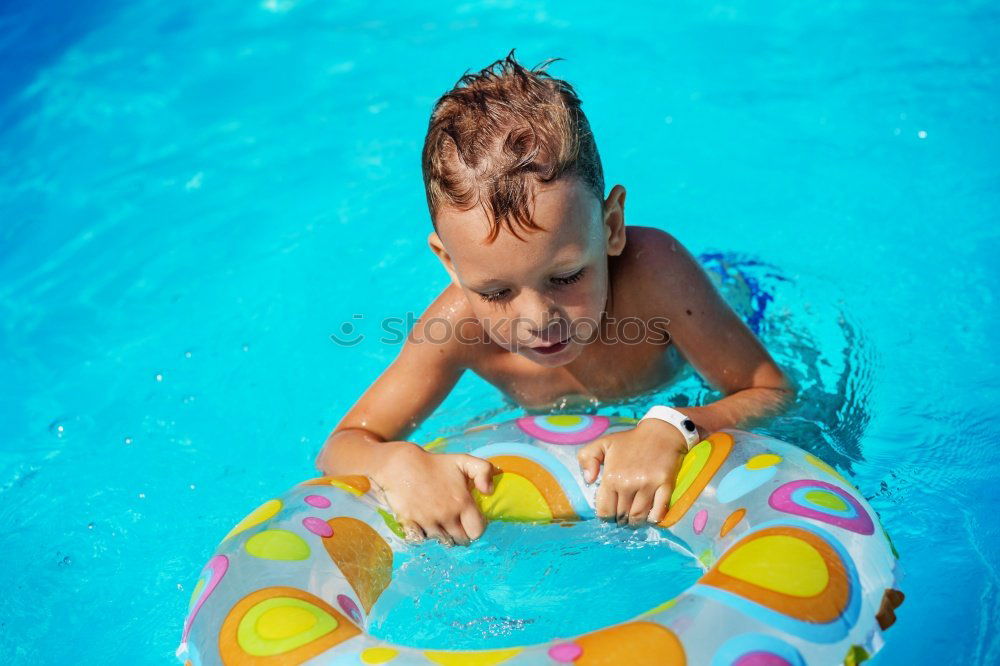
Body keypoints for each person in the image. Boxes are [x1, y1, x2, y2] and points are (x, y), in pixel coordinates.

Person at [315, 50, 793, 546]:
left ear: (610, 228)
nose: (537, 319)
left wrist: (675, 425)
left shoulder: (655, 275)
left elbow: (771, 393)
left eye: (565, 277)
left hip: (725, 315)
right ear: (450, 263)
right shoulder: (457, 328)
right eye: (495, 291)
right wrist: (398, 462)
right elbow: (343, 446)